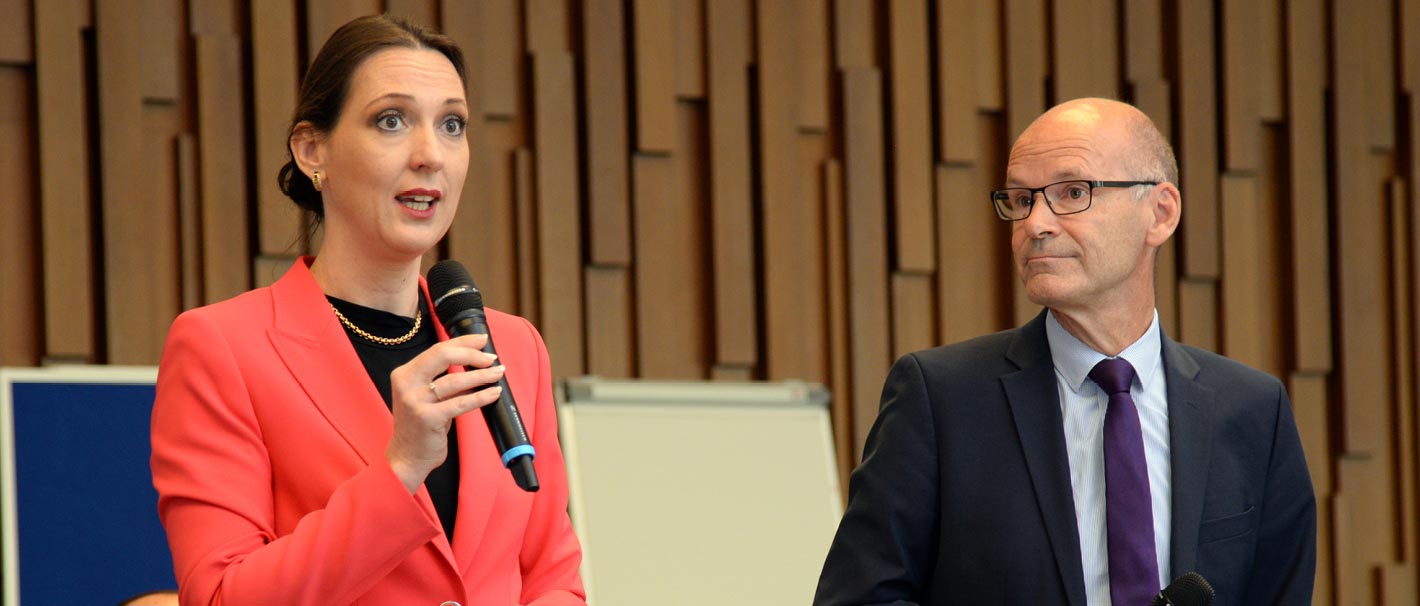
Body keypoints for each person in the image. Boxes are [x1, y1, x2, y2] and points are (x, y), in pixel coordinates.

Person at [150, 15, 585, 605]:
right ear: (312, 151)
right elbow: (222, 597)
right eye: (392, 120)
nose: (430, 154)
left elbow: (553, 576)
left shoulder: (514, 347)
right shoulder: (222, 347)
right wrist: (399, 469)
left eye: (451, 124)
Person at [814, 98, 1315, 605]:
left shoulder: (1252, 410)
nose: (1036, 224)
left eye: (1072, 193)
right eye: (1021, 199)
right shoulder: (940, 399)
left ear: (1160, 213)